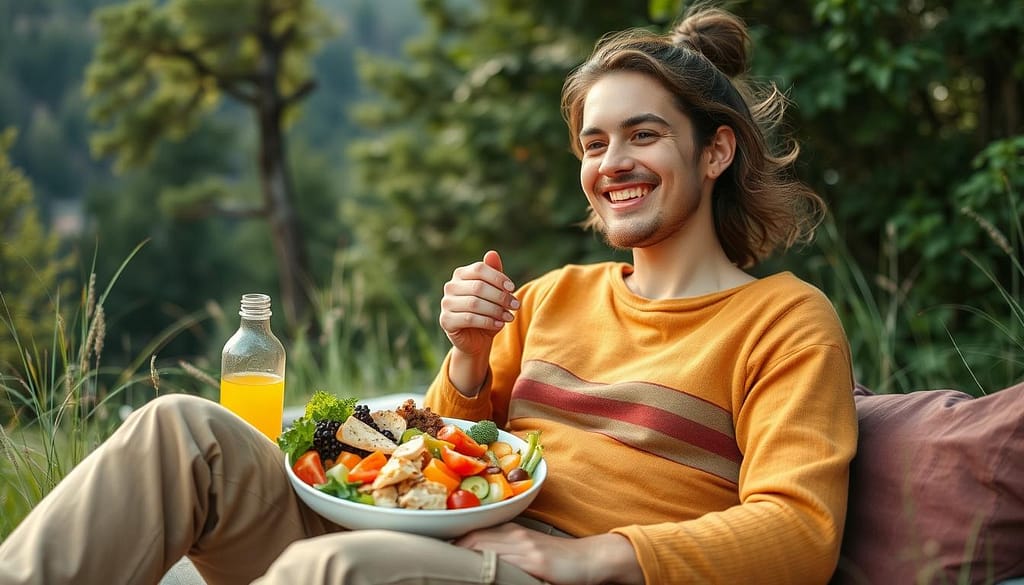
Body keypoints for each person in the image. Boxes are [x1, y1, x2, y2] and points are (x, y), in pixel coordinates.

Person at [0, 5, 856, 585]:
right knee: (179, 430)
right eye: (593, 142)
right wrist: (469, 359)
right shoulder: (555, 296)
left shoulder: (783, 320)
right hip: (434, 543)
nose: (611, 162)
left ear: (714, 154)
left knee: (319, 573)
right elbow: (445, 443)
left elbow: (800, 530)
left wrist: (596, 555)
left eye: (644, 135)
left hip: (554, 575)